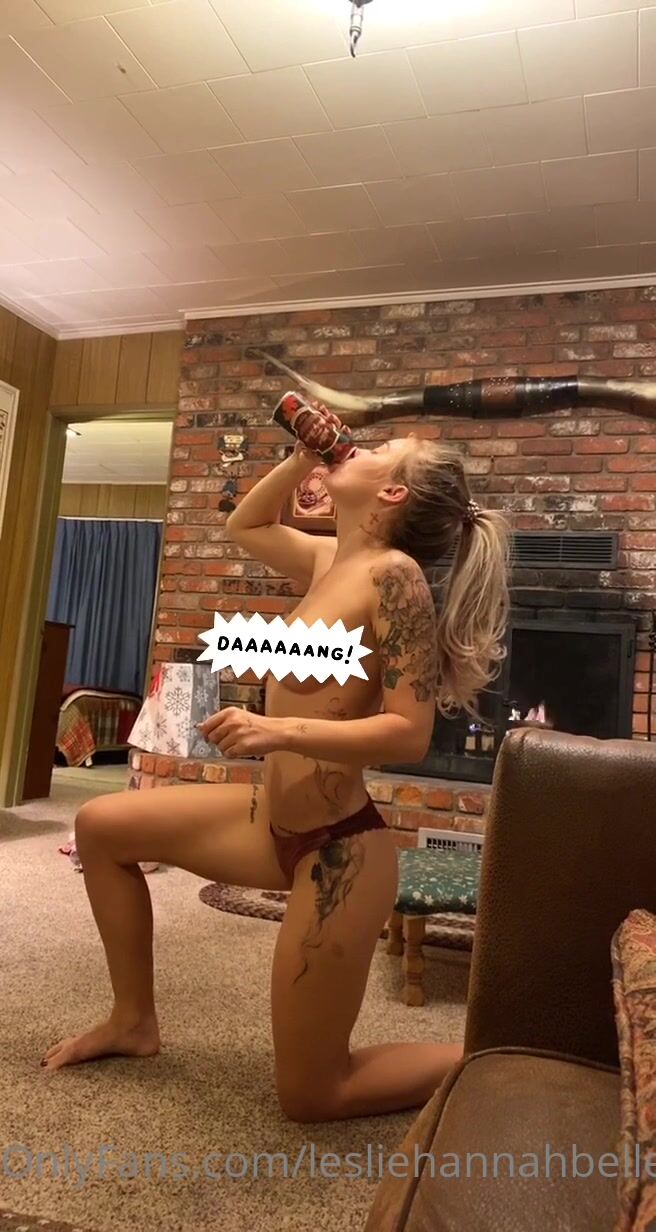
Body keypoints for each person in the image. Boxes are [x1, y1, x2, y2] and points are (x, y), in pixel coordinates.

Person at [41, 420, 510, 1125]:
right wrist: (298, 461)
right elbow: (246, 524)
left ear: (390, 492)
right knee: (102, 826)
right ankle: (132, 1020)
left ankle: (499, 1054)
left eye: (381, 452)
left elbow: (409, 733)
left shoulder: (395, 576)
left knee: (314, 1094)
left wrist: (278, 730)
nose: (358, 445)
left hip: (339, 850)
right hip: (270, 822)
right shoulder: (328, 561)